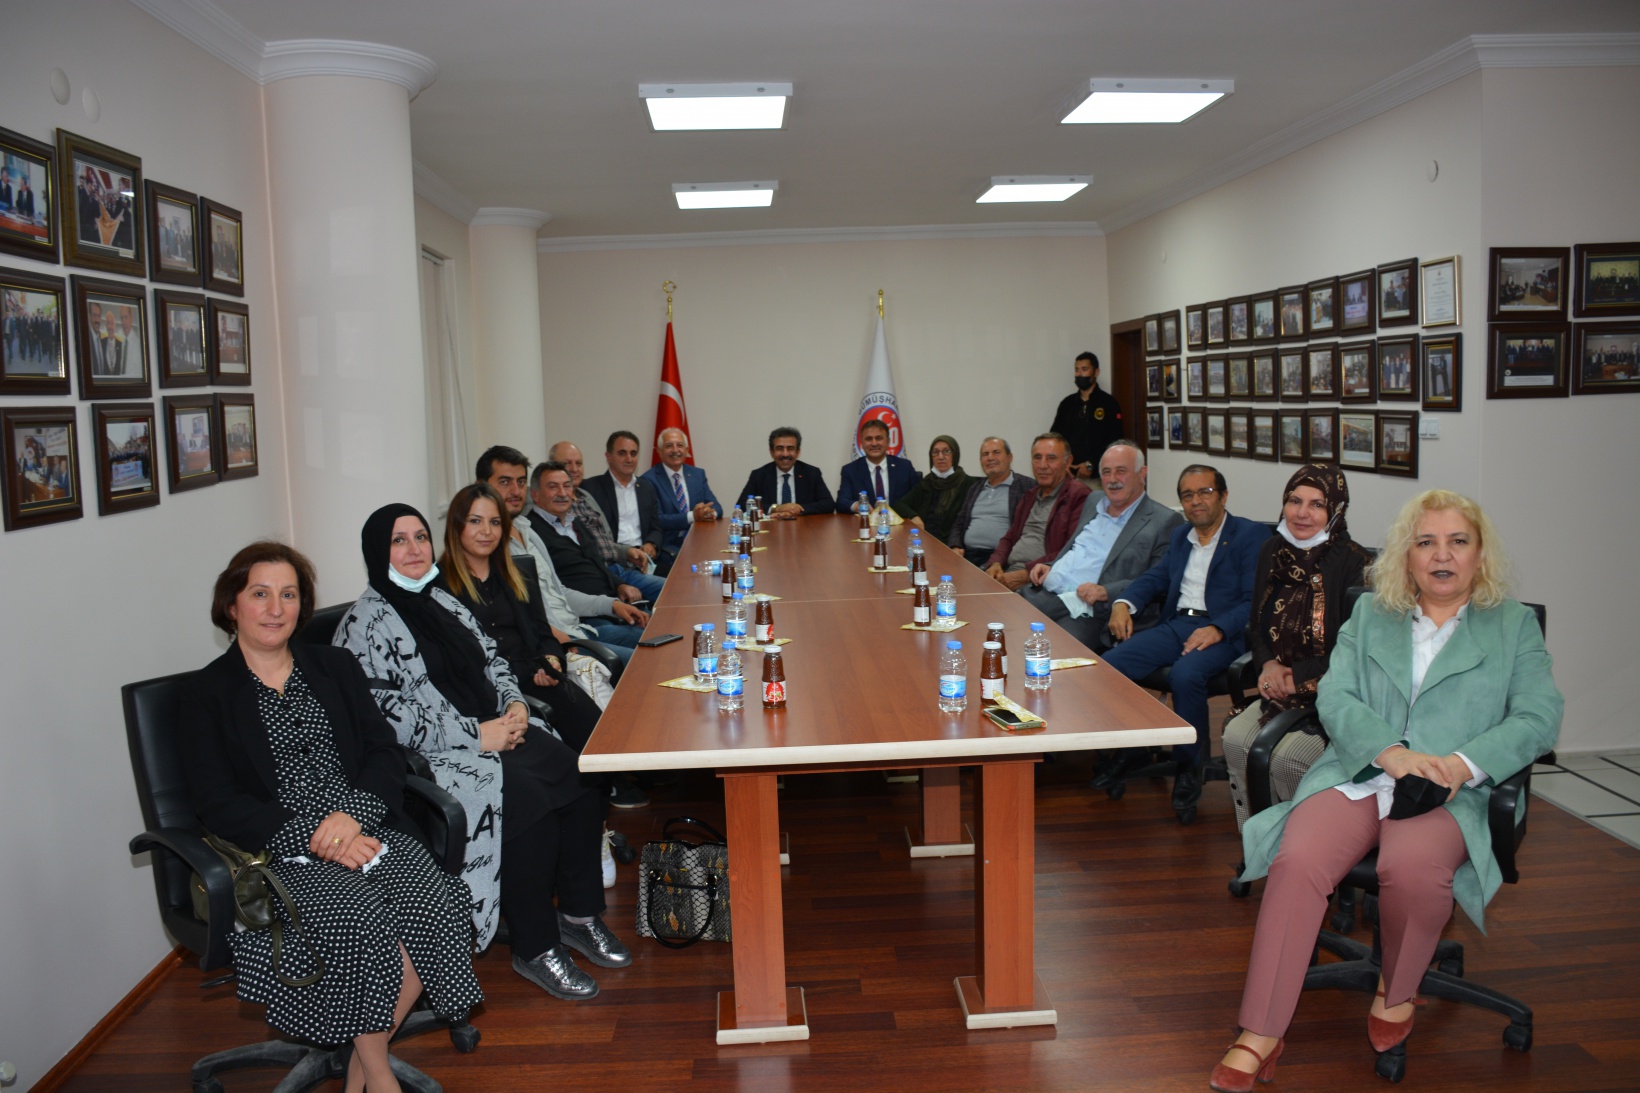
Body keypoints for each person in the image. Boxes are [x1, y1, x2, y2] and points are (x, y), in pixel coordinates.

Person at [1210, 490, 1562, 1091]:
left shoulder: (1512, 625)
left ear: (1480, 554)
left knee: (1412, 867)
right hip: (1361, 771)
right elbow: (1336, 694)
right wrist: (1390, 754)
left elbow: (1538, 717)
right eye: (1426, 542)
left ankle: (1397, 988)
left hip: (1450, 788)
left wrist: (1458, 766)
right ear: (1406, 556)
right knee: (1297, 861)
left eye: (1458, 541)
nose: (1442, 555)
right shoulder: (1374, 614)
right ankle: (1260, 1031)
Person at [179, 541, 482, 1093]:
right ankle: (378, 1076)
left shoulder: (334, 666)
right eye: (260, 594)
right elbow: (216, 801)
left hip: (364, 828)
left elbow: (383, 752)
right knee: (362, 920)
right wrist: (316, 836)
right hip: (279, 850)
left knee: (438, 905)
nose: (276, 609)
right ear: (232, 605)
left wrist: (353, 817)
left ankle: (361, 1067)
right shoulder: (206, 693)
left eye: (289, 595)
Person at [336, 505, 631, 1001]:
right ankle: (536, 946)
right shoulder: (362, 626)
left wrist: (515, 704)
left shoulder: (443, 601)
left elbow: (493, 660)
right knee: (528, 800)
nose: (414, 550)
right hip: (441, 756)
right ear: (376, 552)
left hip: (500, 729)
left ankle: (579, 916)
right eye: (398, 541)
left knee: (581, 777)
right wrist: (476, 735)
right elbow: (384, 719)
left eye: (420, 537)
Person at [478, 452, 649, 806]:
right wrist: (557, 642)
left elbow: (559, 593)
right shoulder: (489, 547)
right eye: (504, 482)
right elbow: (514, 623)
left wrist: (610, 604)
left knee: (653, 648)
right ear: (483, 486)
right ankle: (625, 768)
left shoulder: (526, 531)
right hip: (557, 645)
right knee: (640, 663)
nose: (514, 491)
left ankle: (645, 758)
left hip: (576, 630)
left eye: (519, 481)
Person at [1099, 465, 1270, 817]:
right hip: (1179, 624)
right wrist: (1123, 603)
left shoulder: (1249, 535)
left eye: (1204, 492)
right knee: (1111, 665)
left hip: (1227, 633)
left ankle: (1189, 766)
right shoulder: (1181, 536)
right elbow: (1156, 577)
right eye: (1188, 495)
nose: (1196, 501)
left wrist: (1218, 628)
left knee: (1186, 675)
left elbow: (1254, 600)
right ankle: (1135, 747)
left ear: (1223, 495)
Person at [1220, 466, 1371, 830]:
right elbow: (1256, 623)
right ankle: (1256, 840)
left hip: (1331, 693)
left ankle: (1300, 845)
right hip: (1277, 687)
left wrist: (1297, 677)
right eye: (1294, 501)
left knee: (1289, 758)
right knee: (1236, 739)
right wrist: (1268, 664)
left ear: (1335, 510)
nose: (1302, 513)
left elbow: (1353, 648)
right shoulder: (1272, 550)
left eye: (1317, 504)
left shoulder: (1355, 563)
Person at [438, 482, 605, 755]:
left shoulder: (518, 574)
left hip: (535, 676)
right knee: (558, 756)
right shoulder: (438, 587)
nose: (486, 531)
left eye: (495, 522)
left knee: (601, 738)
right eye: (475, 521)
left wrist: (551, 659)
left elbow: (543, 634)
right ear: (456, 526)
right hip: (486, 693)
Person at [1018, 440, 1182, 648]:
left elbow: (1159, 581)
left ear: (1142, 474)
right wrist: (1050, 565)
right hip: (1046, 589)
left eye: (1120, 471)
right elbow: (1078, 549)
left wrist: (1107, 591)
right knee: (998, 618)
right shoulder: (1094, 500)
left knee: (1050, 649)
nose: (1112, 480)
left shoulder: (1164, 521)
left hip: (1089, 610)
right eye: (1106, 472)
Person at [528, 461, 652, 657]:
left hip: (611, 602)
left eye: (566, 486)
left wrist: (619, 585)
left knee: (660, 629)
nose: (562, 493)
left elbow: (599, 563)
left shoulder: (575, 522)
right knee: (646, 649)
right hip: (587, 616)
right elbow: (559, 592)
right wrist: (611, 605)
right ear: (535, 495)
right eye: (553, 487)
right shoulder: (532, 533)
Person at [544, 440, 663, 602]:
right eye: (567, 463)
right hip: (596, 576)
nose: (574, 469)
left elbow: (605, 541)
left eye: (579, 463)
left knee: (673, 590)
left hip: (619, 568)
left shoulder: (585, 496)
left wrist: (626, 551)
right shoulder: (551, 504)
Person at [984, 433, 1091, 592]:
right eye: (1037, 457)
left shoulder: (1079, 495)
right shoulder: (1030, 496)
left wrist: (1026, 574)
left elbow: (1071, 550)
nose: (1042, 465)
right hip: (1009, 572)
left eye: (1051, 458)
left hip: (1042, 580)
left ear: (1068, 462)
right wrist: (995, 563)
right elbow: (1010, 537)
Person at [581, 431, 666, 573]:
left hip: (644, 559)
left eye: (633, 453)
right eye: (622, 453)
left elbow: (656, 527)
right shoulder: (591, 488)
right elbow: (590, 535)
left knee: (682, 578)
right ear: (608, 457)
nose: (629, 459)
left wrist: (651, 544)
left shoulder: (646, 487)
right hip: (613, 561)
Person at [947, 436, 1039, 566]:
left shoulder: (1027, 486)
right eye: (985, 454)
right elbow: (959, 522)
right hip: (967, 555)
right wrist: (955, 546)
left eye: (996, 452)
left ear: (1010, 457)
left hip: (1002, 558)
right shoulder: (975, 488)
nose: (990, 458)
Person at [639, 427, 721, 564]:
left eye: (680, 445)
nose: (675, 450)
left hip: (700, 539)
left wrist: (708, 513)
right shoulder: (648, 480)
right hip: (668, 546)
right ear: (659, 451)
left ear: (686, 450)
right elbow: (657, 519)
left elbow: (717, 507)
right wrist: (693, 516)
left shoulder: (697, 474)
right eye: (669, 446)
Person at [1049, 351, 1123, 479]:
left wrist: (1091, 464)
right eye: (1076, 370)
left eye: (1084, 369)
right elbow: (1056, 438)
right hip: (1068, 475)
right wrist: (1063, 464)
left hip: (1098, 476)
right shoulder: (1067, 404)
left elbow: (1115, 441)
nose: (1079, 374)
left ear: (1096, 372)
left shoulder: (1109, 403)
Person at [890, 435, 976, 544]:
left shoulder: (968, 484)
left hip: (950, 544)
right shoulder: (927, 482)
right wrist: (914, 516)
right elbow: (898, 505)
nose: (940, 457)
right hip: (923, 540)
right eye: (935, 452)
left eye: (946, 451)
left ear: (955, 455)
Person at [738, 426, 833, 518]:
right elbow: (742, 505)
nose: (785, 454)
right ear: (771, 452)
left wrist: (795, 510)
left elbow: (828, 504)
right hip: (771, 526)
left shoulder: (812, 473)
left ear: (798, 452)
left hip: (803, 525)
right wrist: (777, 508)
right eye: (780, 448)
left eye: (790, 448)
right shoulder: (759, 475)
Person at [834, 419, 917, 511]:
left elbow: (919, 499)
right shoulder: (850, 470)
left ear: (888, 441)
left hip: (899, 519)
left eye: (879, 438)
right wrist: (857, 506)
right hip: (866, 519)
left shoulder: (904, 467)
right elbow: (841, 502)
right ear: (862, 443)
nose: (874, 443)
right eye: (868, 439)